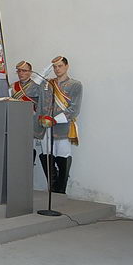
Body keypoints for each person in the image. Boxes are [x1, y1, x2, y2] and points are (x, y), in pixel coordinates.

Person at [37, 56, 82, 194]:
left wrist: (55, 120)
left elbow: (74, 110)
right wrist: (46, 69)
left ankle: (61, 190)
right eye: (55, 67)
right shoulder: (47, 84)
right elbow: (32, 90)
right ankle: (52, 187)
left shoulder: (75, 85)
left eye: (60, 66)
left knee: (63, 156)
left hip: (63, 127)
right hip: (46, 127)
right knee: (46, 156)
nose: (57, 69)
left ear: (67, 66)